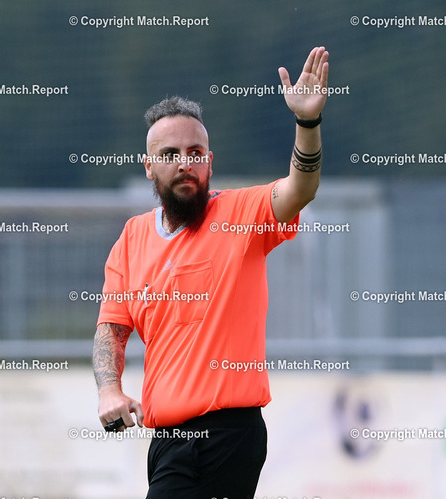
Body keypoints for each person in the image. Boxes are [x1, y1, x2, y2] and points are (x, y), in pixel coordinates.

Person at [93, 46, 329, 498]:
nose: (184, 162)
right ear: (149, 167)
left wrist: (307, 122)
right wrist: (109, 390)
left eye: (195, 152)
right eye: (170, 153)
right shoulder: (133, 237)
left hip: (226, 435)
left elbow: (301, 189)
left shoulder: (242, 214)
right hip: (166, 442)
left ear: (210, 161)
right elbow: (112, 329)